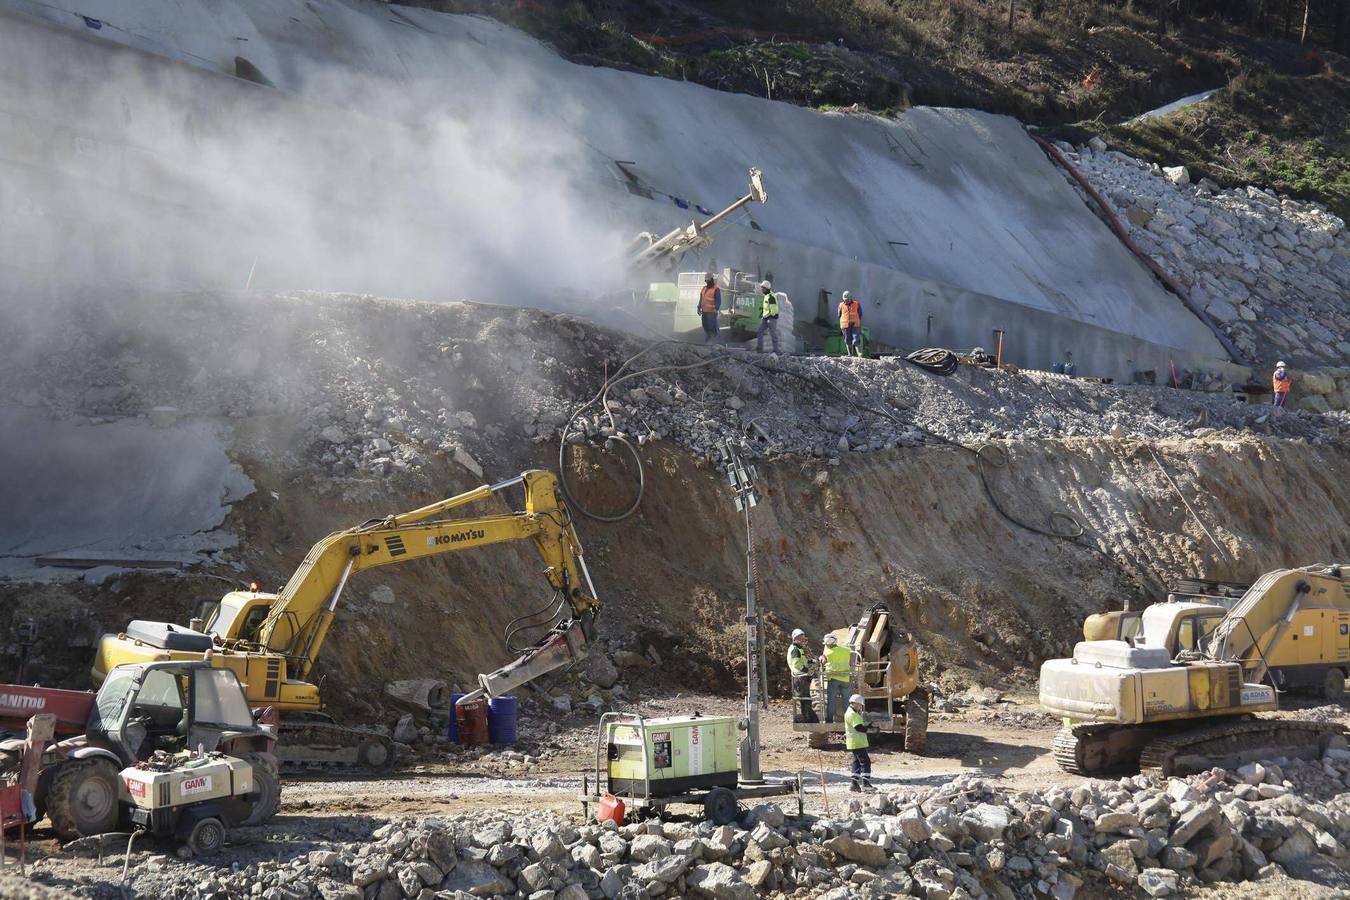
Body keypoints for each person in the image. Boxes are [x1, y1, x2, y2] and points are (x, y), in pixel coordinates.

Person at [786, 628, 817, 723]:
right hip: (800, 677)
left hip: (801, 676)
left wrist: (812, 661)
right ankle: (807, 718)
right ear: (796, 639)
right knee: (805, 698)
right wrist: (808, 670)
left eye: (804, 639)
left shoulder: (798, 649)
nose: (803, 641)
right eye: (802, 639)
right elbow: (796, 664)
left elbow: (802, 661)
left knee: (806, 698)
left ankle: (808, 717)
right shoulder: (795, 650)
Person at [820, 633, 852, 723]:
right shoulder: (846, 650)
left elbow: (822, 662)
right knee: (846, 701)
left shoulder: (827, 653)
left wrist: (820, 658)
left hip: (833, 679)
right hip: (845, 679)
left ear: (828, 643)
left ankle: (829, 720)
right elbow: (851, 662)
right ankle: (849, 720)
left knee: (831, 700)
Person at [844, 693, 872, 792]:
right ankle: (865, 783)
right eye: (860, 705)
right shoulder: (853, 714)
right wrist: (867, 728)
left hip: (854, 743)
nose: (860, 707)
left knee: (856, 762)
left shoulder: (851, 713)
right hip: (857, 743)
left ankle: (854, 784)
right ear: (855, 704)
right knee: (865, 761)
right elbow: (859, 728)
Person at [755, 280, 781, 354]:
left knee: (773, 334)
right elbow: (767, 306)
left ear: (767, 289)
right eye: (762, 288)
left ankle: (776, 351)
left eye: (763, 288)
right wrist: (762, 310)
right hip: (766, 318)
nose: (762, 290)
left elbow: (773, 308)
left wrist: (771, 317)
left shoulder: (771, 296)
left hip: (771, 318)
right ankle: (760, 349)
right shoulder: (766, 296)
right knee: (760, 332)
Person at [838, 290, 862, 357]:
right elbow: (839, 315)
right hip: (845, 325)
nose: (846, 301)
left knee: (856, 338)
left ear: (851, 298)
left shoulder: (856, 304)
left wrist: (856, 320)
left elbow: (860, 314)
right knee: (847, 339)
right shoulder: (841, 305)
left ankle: (859, 353)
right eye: (845, 300)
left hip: (855, 324)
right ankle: (850, 354)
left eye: (848, 299)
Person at [698, 273, 721, 344]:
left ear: (712, 280)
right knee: (705, 326)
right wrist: (699, 307)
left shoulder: (716, 289)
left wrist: (716, 309)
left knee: (712, 327)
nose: (707, 282)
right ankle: (709, 339)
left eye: (708, 280)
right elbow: (701, 299)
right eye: (706, 281)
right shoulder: (704, 288)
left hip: (711, 312)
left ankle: (713, 341)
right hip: (704, 312)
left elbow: (718, 301)